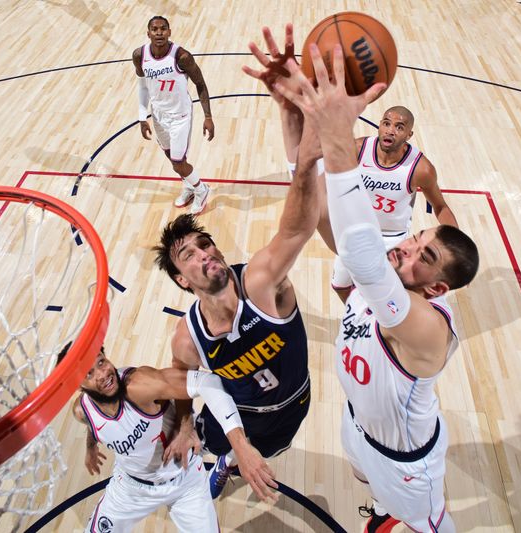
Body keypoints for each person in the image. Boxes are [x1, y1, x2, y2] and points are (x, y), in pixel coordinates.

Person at [272, 41, 479, 532]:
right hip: (357, 425)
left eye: (423, 257)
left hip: (407, 462)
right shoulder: (384, 280)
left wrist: (336, 128)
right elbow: (317, 207)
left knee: (432, 527)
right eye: (418, 237)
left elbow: (362, 254)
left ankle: (404, 513)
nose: (409, 248)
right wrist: (290, 114)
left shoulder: (427, 326)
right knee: (367, 484)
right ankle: (383, 513)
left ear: (436, 290)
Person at [153, 25, 320, 501]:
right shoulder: (188, 337)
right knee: (212, 442)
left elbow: (296, 227)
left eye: (206, 246)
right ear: (183, 282)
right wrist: (184, 425)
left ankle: (232, 455)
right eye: (189, 255)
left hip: (295, 403)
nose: (205, 254)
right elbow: (187, 383)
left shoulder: (263, 283)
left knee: (274, 449)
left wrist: (297, 140)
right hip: (241, 420)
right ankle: (224, 457)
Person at [65, 343, 275, 532]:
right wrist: (90, 447)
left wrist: (189, 429)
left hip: (184, 480)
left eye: (101, 362)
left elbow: (206, 381)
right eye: (89, 373)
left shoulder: (139, 385)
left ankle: (224, 460)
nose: (102, 374)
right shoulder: (81, 411)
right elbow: (93, 425)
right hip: (130, 487)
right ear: (79, 386)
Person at [327, 105, 458, 302]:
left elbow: (441, 207)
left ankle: (385, 327)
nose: (390, 130)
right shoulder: (357, 149)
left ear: (409, 134)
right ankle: (357, 318)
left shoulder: (421, 169)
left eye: (399, 127)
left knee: (388, 297)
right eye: (386, 123)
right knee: (340, 285)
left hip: (392, 239)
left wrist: (455, 245)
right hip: (357, 231)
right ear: (379, 125)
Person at [133, 15, 213, 215]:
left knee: (178, 163)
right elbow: (142, 86)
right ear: (148, 32)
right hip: (158, 115)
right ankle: (189, 186)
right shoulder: (139, 55)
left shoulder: (182, 57)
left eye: (163, 29)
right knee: (171, 157)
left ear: (169, 32)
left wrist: (208, 117)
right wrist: (142, 117)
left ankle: (202, 190)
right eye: (154, 29)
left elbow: (200, 84)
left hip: (180, 115)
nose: (159, 32)